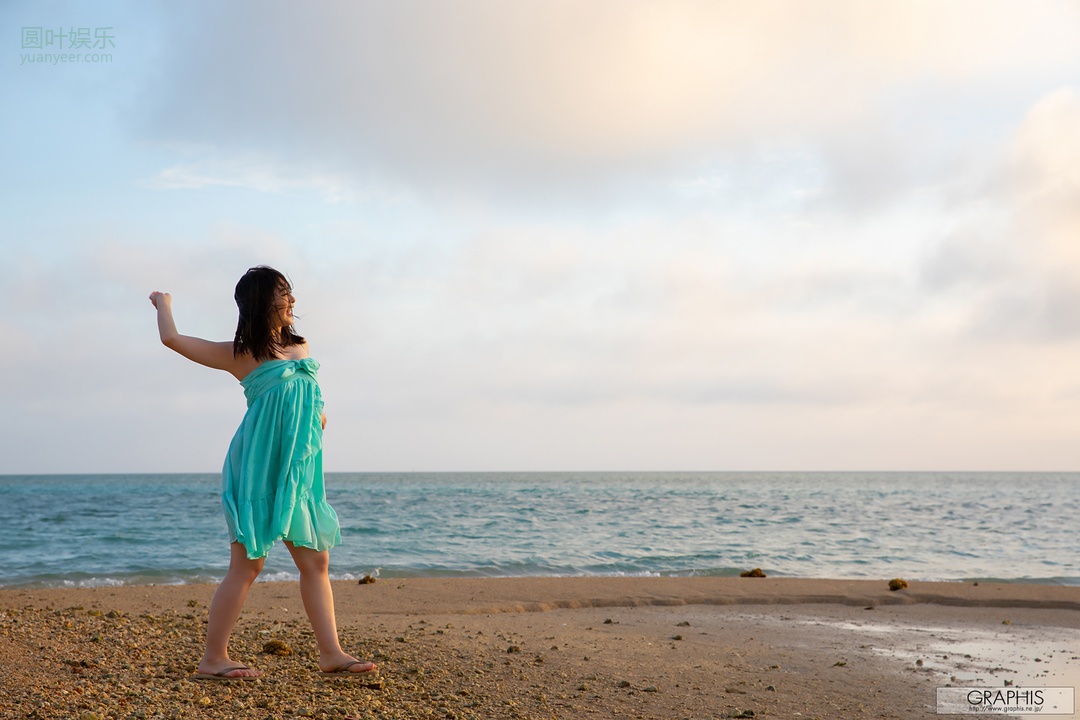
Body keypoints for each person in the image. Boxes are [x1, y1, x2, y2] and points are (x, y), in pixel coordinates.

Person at [149, 266, 377, 681]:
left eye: (290, 293)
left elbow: (306, 395)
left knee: (317, 561)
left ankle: (331, 653)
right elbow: (173, 339)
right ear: (260, 301)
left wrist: (318, 415)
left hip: (298, 469)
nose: (291, 301)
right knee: (248, 565)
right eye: (283, 293)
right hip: (256, 468)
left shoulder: (300, 346)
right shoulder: (240, 354)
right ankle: (213, 658)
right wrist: (163, 305)